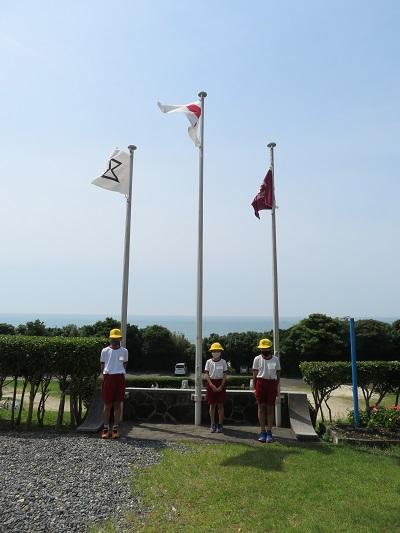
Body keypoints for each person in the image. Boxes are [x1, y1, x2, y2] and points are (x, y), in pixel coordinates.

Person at [100, 328, 128, 439]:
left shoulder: (124, 351)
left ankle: (115, 429)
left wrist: (118, 370)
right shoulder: (105, 351)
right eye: (113, 338)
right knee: (107, 405)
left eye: (117, 338)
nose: (115, 340)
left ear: (120, 339)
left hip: (119, 377)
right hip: (108, 377)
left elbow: (124, 364)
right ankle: (105, 429)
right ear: (110, 338)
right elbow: (102, 365)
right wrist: (106, 375)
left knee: (117, 404)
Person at [252, 338, 280, 443]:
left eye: (266, 348)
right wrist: (255, 388)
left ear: (270, 348)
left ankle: (269, 432)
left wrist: (276, 386)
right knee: (261, 408)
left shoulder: (275, 359)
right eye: (262, 348)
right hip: (260, 383)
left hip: (271, 384)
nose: (264, 350)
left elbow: (278, 374)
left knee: (270, 409)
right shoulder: (257, 359)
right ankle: (262, 431)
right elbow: (254, 375)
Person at [204, 342, 228, 433]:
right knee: (212, 405)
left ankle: (220, 424)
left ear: (220, 352)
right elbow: (206, 374)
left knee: (220, 405)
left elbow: (225, 375)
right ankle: (212, 424)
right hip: (211, 383)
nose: (216, 352)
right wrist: (211, 385)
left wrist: (221, 385)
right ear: (211, 352)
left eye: (217, 351)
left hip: (221, 383)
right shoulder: (208, 362)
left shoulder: (223, 362)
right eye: (214, 351)